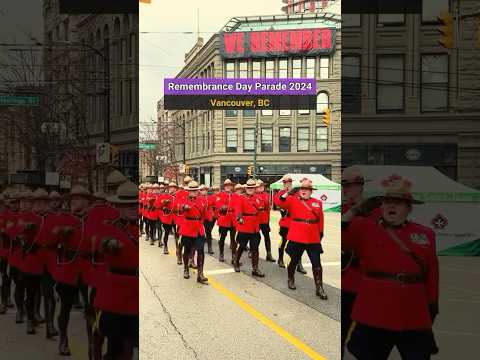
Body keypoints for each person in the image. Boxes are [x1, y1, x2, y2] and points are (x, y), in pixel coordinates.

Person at [342, 176, 439, 360]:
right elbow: (341, 234)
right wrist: (355, 211)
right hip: (374, 311)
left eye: (399, 203)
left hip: (414, 311)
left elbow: (432, 273)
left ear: (409, 208)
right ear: (381, 206)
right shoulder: (364, 228)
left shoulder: (425, 234)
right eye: (388, 202)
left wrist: (432, 305)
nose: (392, 207)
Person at [94, 180, 139, 360]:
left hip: (137, 294)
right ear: (119, 207)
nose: (134, 209)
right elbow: (101, 243)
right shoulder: (110, 227)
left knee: (129, 347)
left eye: (136, 205)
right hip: (116, 295)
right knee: (114, 346)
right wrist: (109, 244)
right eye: (128, 206)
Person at [340, 166, 381, 359]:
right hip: (346, 279)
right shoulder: (342, 210)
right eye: (344, 184)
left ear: (362, 186)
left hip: (368, 282)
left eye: (353, 184)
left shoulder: (377, 212)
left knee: (367, 339)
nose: (348, 188)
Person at [275, 178, 327, 299]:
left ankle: (319, 287)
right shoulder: (293, 200)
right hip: (297, 235)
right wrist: (288, 193)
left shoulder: (317, 202)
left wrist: (320, 233)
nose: (304, 191)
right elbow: (279, 202)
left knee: (317, 264)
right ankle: (290, 279)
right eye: (302, 189)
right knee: (293, 261)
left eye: (307, 189)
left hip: (313, 237)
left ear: (311, 191)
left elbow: (321, 219)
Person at [274, 176, 306, 274]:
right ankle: (280, 259)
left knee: (299, 244)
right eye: (285, 182)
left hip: (296, 222)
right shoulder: (280, 193)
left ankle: (299, 264)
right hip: (286, 221)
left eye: (289, 182)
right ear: (283, 183)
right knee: (284, 241)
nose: (287, 183)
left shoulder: (296, 193)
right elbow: (277, 203)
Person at [233, 179, 265, 277]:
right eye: (249, 188)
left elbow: (261, 207)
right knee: (242, 246)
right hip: (245, 225)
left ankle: (255, 269)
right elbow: (238, 209)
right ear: (246, 188)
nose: (251, 189)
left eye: (252, 188)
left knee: (255, 248)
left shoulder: (258, 198)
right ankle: (236, 262)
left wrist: (260, 210)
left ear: (255, 188)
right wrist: (239, 218)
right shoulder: (241, 198)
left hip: (255, 226)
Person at [178, 181, 208, 284]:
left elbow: (204, 214)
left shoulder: (202, 200)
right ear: (189, 191)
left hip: (198, 228)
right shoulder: (184, 199)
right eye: (192, 190)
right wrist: (183, 207)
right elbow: (180, 207)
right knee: (187, 250)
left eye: (196, 190)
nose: (194, 192)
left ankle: (200, 274)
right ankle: (186, 269)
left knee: (201, 251)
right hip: (187, 228)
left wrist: (200, 222)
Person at [215, 179, 237, 263]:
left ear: (232, 186)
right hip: (224, 219)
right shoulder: (220, 195)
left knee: (233, 239)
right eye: (226, 185)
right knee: (222, 238)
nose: (228, 187)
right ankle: (221, 254)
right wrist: (221, 207)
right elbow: (217, 205)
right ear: (224, 187)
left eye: (229, 185)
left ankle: (234, 256)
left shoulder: (235, 195)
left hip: (233, 219)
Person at [256, 179, 275, 262]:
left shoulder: (267, 195)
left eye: (262, 185)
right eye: (259, 186)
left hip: (264, 219)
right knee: (255, 237)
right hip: (256, 219)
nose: (261, 187)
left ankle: (269, 254)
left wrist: (268, 220)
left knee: (267, 237)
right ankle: (252, 251)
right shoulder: (253, 195)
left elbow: (268, 209)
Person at [159, 182, 177, 254]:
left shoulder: (177, 196)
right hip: (168, 217)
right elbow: (160, 206)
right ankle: (165, 247)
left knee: (177, 234)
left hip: (175, 217)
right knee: (166, 233)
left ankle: (177, 248)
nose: (172, 189)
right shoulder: (165, 196)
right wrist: (164, 203)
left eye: (173, 187)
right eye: (170, 187)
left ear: (176, 189)